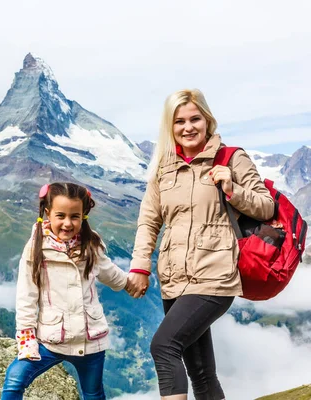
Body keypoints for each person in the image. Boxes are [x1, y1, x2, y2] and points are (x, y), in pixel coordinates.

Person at [126, 89, 274, 400]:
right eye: (179, 121)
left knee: (163, 347)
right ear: (170, 127)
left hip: (215, 275)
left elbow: (266, 207)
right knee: (202, 374)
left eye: (195, 119)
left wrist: (233, 190)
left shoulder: (232, 158)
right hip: (174, 278)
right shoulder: (163, 169)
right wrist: (139, 266)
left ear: (207, 120)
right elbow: (148, 222)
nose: (188, 127)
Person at [1, 182, 143, 400]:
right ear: (47, 214)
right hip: (51, 340)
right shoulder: (36, 248)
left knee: (93, 394)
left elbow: (109, 272)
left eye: (74, 216)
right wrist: (27, 337)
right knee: (14, 380)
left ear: (83, 216)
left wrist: (130, 284)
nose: (67, 223)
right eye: (61, 216)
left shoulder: (91, 245)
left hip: (90, 340)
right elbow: (26, 296)